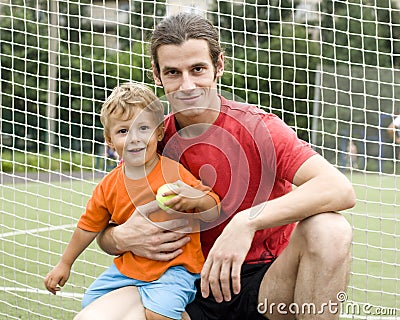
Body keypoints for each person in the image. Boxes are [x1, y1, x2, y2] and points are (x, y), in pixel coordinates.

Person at [75, 13, 356, 320]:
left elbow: (338, 188)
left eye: (197, 69)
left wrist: (245, 222)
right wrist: (118, 238)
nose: (187, 85)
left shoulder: (258, 128)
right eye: (173, 72)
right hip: (182, 288)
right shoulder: (148, 139)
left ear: (218, 66)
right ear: (156, 74)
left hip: (266, 286)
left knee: (330, 228)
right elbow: (104, 223)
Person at [44, 82, 220, 320]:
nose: (134, 139)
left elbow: (214, 207)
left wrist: (195, 198)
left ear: (159, 132)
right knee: (91, 304)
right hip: (127, 269)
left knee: (159, 315)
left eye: (143, 128)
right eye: (123, 131)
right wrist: (64, 264)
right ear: (109, 140)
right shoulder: (108, 186)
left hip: (174, 267)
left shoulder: (175, 174)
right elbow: (88, 226)